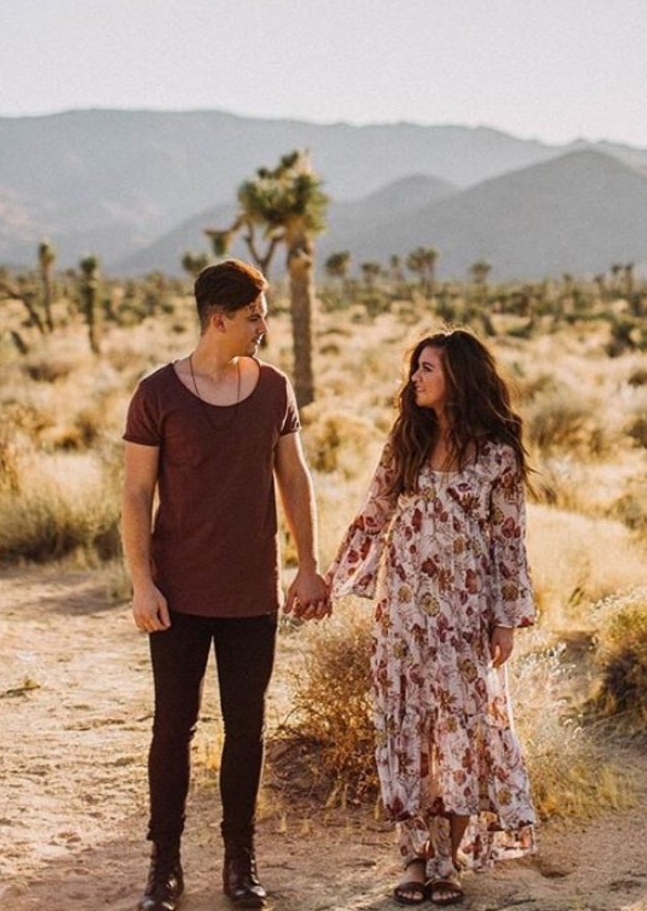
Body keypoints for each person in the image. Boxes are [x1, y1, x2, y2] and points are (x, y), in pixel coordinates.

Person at [121, 259, 330, 911]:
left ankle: (240, 862)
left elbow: (294, 478)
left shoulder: (274, 389)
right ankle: (165, 867)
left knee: (247, 728)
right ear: (220, 320)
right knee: (173, 729)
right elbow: (135, 492)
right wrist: (141, 583)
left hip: (251, 595)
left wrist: (308, 563)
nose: (263, 327)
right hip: (178, 595)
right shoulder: (158, 393)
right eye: (254, 316)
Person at [326, 327, 537, 907]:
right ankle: (416, 858)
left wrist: (505, 620)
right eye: (415, 368)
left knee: (462, 735)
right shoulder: (407, 444)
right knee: (407, 732)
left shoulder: (497, 454)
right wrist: (331, 580)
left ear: (458, 379)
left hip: (464, 615)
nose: (415, 378)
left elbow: (509, 542)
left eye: (427, 369)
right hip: (403, 615)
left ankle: (450, 860)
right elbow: (371, 518)